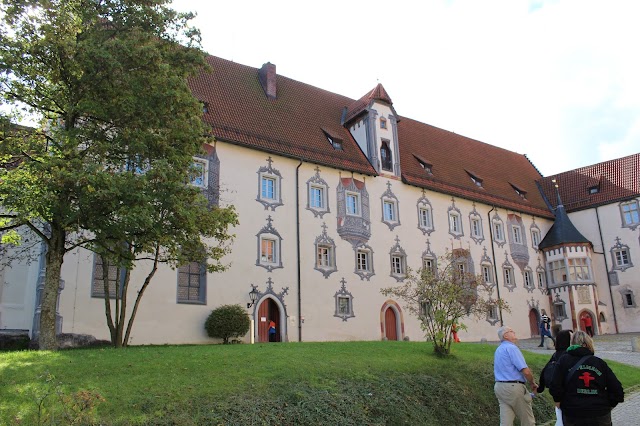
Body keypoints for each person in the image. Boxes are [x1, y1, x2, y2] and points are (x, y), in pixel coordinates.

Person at [549, 330, 624, 426]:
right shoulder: (599, 363)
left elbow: (555, 386)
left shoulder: (564, 361)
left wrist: (559, 401)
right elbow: (618, 391)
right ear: (588, 344)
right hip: (599, 413)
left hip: (573, 413)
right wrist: (606, 405)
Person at [494, 326, 537, 426]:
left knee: (506, 422)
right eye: (511, 331)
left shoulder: (498, 350)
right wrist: (532, 383)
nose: (514, 332)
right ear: (506, 336)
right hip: (514, 387)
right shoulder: (512, 348)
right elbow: (525, 371)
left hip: (500, 387)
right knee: (528, 421)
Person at [537, 329, 573, 426]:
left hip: (558, 394)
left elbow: (545, 370)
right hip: (568, 393)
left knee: (561, 419)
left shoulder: (556, 354)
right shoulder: (569, 355)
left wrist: (540, 388)